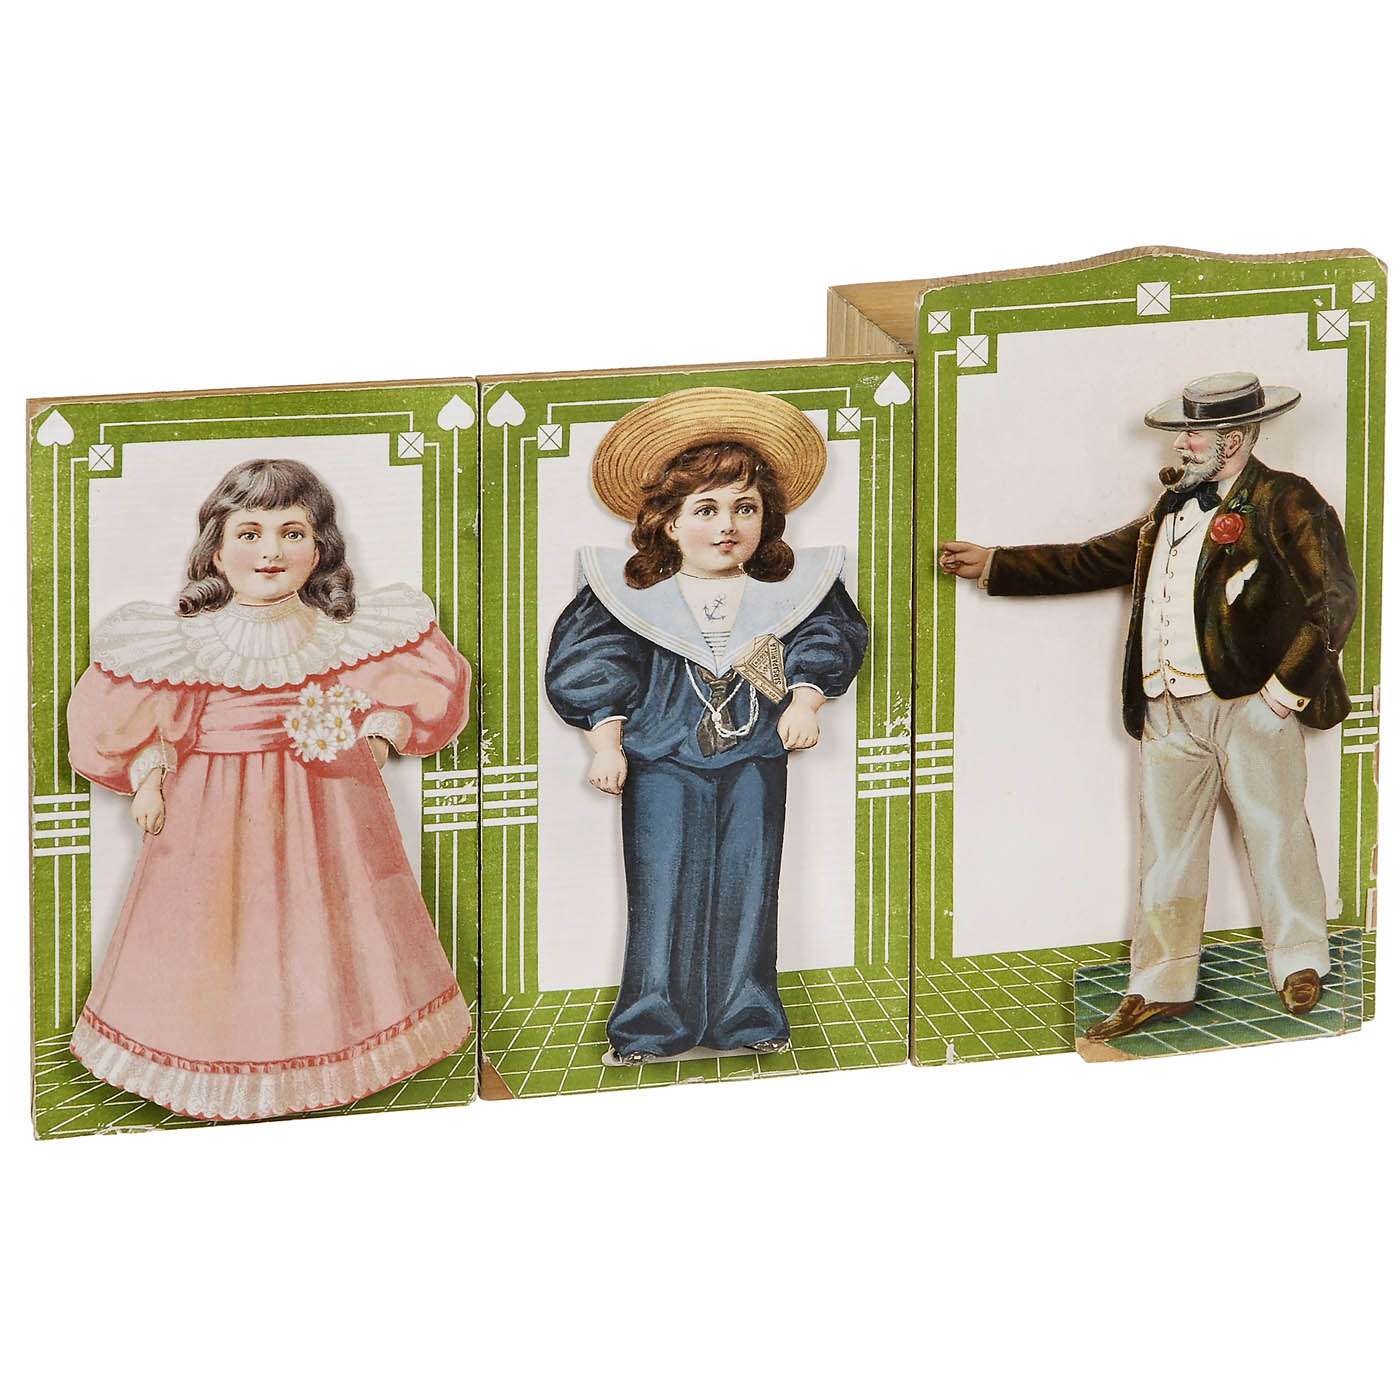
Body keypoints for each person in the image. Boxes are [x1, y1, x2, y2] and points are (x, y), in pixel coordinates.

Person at [940, 372, 1357, 1041]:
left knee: (1276, 831)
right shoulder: (1171, 507)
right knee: (1166, 849)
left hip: (1252, 704)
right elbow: (1094, 560)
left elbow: (1333, 599)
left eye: (1193, 434)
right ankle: (1161, 983)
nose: (1182, 445)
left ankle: (1301, 962)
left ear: (1235, 439)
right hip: (1165, 706)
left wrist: (1281, 695)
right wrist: (995, 563)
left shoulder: (1287, 499)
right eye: (1183, 434)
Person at [67, 458, 473, 1119]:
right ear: (216, 552)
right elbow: (158, 722)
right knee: (216, 927)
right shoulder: (186, 642)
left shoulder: (340, 632)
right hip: (212, 809)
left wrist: (373, 741)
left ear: (320, 548)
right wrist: (150, 779)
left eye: (292, 533)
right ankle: (217, 1057)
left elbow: (398, 694)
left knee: (330, 920)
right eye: (250, 534)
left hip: (328, 807)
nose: (271, 552)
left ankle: (333, 1052)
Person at [545, 387, 868, 1066]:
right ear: (667, 522)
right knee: (662, 890)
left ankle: (747, 1016)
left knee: (750, 885)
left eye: (745, 508)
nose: (727, 526)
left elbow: (826, 637)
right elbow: (595, 662)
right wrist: (605, 742)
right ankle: (651, 1024)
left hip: (754, 757)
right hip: (662, 759)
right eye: (706, 509)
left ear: (766, 518)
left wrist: (805, 701)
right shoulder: (628, 594)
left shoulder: (792, 589)